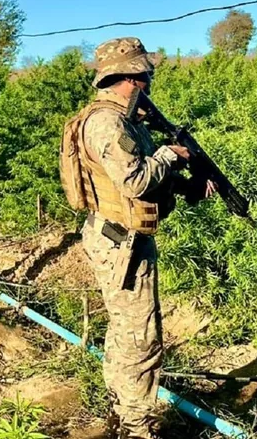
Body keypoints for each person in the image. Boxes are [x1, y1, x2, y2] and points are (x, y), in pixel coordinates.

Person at [64, 37, 216, 439]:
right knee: (141, 338)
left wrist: (186, 186)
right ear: (131, 77)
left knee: (125, 331)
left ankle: (123, 409)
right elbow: (134, 180)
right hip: (121, 243)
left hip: (121, 236)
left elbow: (147, 181)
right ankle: (137, 426)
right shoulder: (107, 123)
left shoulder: (124, 120)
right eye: (146, 74)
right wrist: (169, 155)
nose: (150, 81)